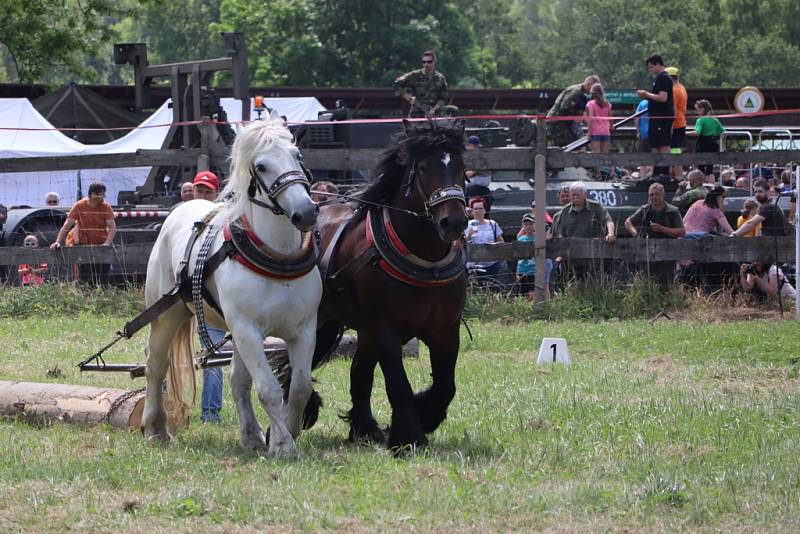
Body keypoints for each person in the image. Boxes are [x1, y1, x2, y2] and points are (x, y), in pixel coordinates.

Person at [50, 181, 117, 284]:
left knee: (103, 279)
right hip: (84, 246)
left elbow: (112, 227)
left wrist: (107, 244)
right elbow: (67, 225)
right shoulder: (79, 206)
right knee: (85, 279)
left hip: (101, 245)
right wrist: (58, 241)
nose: (104, 196)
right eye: (102, 194)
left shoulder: (106, 207)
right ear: (94, 194)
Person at [636, 54, 673, 178]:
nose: (650, 70)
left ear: (658, 64)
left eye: (651, 67)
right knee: (655, 144)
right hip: (656, 118)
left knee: (663, 144)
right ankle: (657, 171)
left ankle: (664, 172)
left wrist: (646, 94)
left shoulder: (663, 78)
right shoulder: (659, 78)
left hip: (662, 118)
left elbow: (663, 97)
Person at [546, 75, 601, 147]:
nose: (593, 91)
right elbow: (564, 108)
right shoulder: (576, 92)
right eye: (593, 88)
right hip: (557, 121)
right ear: (588, 85)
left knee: (575, 143)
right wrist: (576, 117)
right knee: (568, 143)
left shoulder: (582, 93)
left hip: (564, 122)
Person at [551, 181, 616, 243]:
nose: (575, 197)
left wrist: (610, 233)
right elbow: (559, 231)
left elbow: (608, 220)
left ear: (585, 195)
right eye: (573, 195)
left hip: (593, 247)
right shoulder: (565, 211)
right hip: (571, 248)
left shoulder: (595, 207)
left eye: (578, 195)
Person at [393, 51, 448, 117]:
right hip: (416, 114)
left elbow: (443, 98)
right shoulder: (415, 75)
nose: (426, 64)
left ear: (434, 62)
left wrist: (434, 109)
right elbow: (397, 84)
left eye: (429, 62)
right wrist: (409, 98)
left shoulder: (440, 78)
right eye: (424, 62)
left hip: (434, 116)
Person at [464, 197, 506, 277]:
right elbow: (462, 245)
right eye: (475, 209)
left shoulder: (492, 224)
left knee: (491, 287)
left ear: (484, 210)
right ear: (472, 211)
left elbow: (501, 242)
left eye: (480, 208)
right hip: (472, 265)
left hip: (491, 265)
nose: (478, 211)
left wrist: (494, 245)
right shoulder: (467, 224)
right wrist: (468, 235)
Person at [515, 213, 553, 300]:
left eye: (531, 224)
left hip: (534, 271)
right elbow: (519, 258)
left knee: (534, 294)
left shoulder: (540, 239)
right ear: (522, 226)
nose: (528, 226)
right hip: (523, 270)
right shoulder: (521, 239)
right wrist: (517, 271)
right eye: (526, 224)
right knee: (524, 295)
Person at [584, 83, 613, 178]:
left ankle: (598, 174)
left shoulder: (590, 104)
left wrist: (589, 132)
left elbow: (591, 118)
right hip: (606, 131)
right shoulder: (607, 104)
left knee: (596, 154)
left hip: (596, 131)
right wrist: (611, 127)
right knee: (605, 154)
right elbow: (610, 117)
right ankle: (608, 174)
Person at [691, 100, 724, 178]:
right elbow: (722, 132)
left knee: (700, 168)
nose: (697, 112)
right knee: (710, 169)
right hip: (713, 144)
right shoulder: (715, 120)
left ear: (702, 109)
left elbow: (697, 132)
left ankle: (701, 186)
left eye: (698, 110)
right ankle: (711, 186)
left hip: (702, 145)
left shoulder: (700, 120)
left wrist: (684, 133)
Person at [667, 67, 687, 180]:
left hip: (676, 123)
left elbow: (673, 109)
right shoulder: (682, 88)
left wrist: (670, 126)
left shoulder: (674, 90)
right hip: (682, 122)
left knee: (674, 150)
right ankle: (676, 174)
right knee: (676, 149)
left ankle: (679, 175)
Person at [634, 99, 651, 178]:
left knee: (643, 157)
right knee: (655, 156)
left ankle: (643, 176)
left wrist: (638, 131)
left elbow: (636, 118)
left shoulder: (642, 103)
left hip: (644, 133)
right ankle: (653, 175)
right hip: (655, 133)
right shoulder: (657, 102)